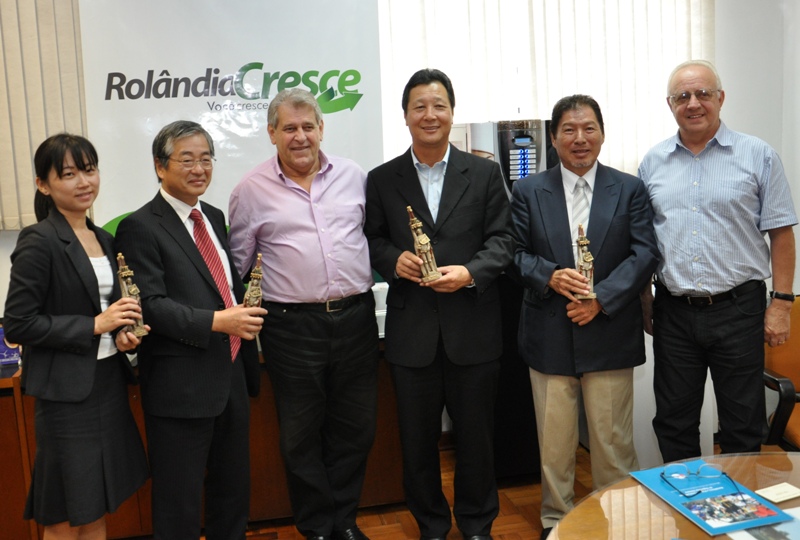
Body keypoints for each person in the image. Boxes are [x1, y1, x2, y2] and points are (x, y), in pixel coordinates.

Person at [364, 68, 515, 540]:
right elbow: (371, 239)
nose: (430, 115)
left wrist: (471, 272)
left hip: (473, 330)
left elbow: (504, 240)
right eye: (419, 107)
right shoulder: (382, 179)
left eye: (439, 106)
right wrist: (393, 260)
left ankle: (477, 525)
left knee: (477, 440)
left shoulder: (485, 173)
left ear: (452, 112)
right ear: (405, 115)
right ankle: (430, 525)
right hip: (412, 335)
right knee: (416, 442)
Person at [228, 88, 379, 540]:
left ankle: (345, 522)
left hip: (356, 318)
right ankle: (316, 528)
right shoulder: (250, 190)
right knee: (299, 434)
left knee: (355, 427)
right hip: (291, 327)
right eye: (289, 128)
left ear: (321, 129)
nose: (300, 137)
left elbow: (375, 238)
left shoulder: (354, 176)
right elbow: (238, 267)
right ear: (271, 133)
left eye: (308, 126)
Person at [511, 95, 660, 539]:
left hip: (609, 330)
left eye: (589, 128)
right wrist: (549, 275)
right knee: (554, 444)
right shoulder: (528, 190)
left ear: (602, 133)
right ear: (553, 137)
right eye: (569, 130)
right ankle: (556, 521)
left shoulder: (629, 188)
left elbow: (645, 253)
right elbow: (512, 253)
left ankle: (618, 522)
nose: (580, 138)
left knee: (612, 444)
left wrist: (601, 299)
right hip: (549, 332)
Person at [639, 60, 797, 462]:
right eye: (682, 96)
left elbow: (781, 233)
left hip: (739, 310)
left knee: (742, 424)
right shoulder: (652, 163)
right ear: (670, 104)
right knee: (673, 421)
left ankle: (738, 502)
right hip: (674, 311)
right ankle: (686, 499)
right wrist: (645, 299)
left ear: (721, 98)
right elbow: (643, 240)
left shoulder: (758, 155)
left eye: (703, 94)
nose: (693, 103)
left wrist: (781, 303)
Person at [115, 120, 267, 540]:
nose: (199, 168)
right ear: (160, 166)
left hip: (231, 374)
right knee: (178, 503)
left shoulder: (213, 216)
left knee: (232, 493)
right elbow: (151, 305)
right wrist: (219, 322)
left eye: (206, 159)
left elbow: (225, 288)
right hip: (180, 386)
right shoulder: (140, 226)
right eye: (187, 160)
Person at [4, 134, 149, 539]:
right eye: (68, 174)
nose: (84, 182)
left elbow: (107, 313)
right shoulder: (40, 240)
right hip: (67, 397)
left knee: (96, 506)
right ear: (43, 185)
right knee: (66, 516)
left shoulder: (105, 239)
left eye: (89, 170)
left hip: (107, 384)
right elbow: (18, 323)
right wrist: (94, 326)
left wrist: (122, 336)